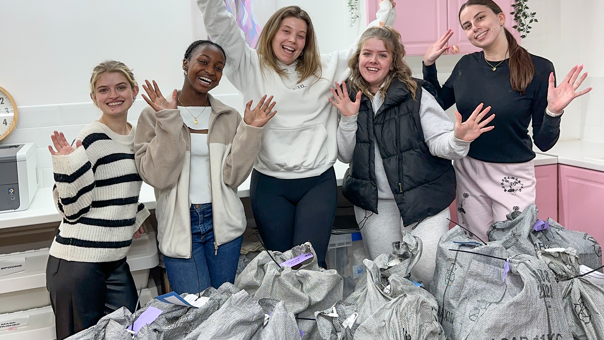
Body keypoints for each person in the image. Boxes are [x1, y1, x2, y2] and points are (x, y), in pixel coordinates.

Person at [196, 0, 396, 268]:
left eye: (300, 35)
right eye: (286, 31)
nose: (293, 40)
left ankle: (315, 310)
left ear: (307, 42)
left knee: (310, 265)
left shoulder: (325, 69)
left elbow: (365, 46)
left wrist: (385, 10)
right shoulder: (250, 66)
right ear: (272, 33)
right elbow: (222, 28)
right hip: (270, 186)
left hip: (316, 185)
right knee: (282, 266)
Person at [332, 26, 494, 287]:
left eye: (382, 55)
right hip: (374, 203)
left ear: (393, 61)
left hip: (423, 199)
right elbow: (344, 155)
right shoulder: (348, 96)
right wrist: (348, 118)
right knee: (387, 276)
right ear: (357, 58)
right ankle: (401, 327)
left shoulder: (416, 93)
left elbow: (439, 143)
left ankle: (433, 323)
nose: (373, 60)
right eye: (367, 54)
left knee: (427, 270)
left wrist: (458, 139)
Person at [422, 0, 591, 241]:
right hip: (468, 169)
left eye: (480, 18)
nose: (475, 28)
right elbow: (437, 103)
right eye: (467, 25)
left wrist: (553, 111)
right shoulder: (466, 65)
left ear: (501, 18)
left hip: (513, 176)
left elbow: (544, 142)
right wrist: (429, 65)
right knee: (477, 248)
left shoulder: (539, 68)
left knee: (515, 249)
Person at [134, 40, 275, 294]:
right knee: (194, 310)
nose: (210, 70)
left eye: (219, 67)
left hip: (223, 224)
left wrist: (251, 131)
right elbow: (159, 177)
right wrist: (168, 120)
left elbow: (233, 177)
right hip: (180, 225)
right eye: (203, 61)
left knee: (223, 307)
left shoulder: (229, 116)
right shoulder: (153, 115)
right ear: (185, 64)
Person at [45, 60, 150, 339]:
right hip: (76, 263)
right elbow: (69, 209)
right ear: (94, 98)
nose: (113, 95)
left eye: (120, 87)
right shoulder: (89, 138)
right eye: (103, 90)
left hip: (114, 260)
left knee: (132, 330)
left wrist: (136, 215)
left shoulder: (137, 134)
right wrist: (67, 165)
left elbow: (116, 186)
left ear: (134, 90)